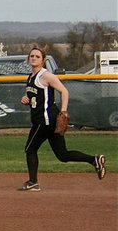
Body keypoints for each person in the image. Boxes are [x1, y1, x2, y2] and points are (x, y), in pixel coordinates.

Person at [18, 46, 106, 191]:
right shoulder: (31, 77)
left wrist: (63, 112)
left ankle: (33, 182)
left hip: (45, 120)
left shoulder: (45, 75)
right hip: (45, 119)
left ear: (43, 60)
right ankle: (94, 160)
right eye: (32, 56)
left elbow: (64, 91)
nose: (34, 58)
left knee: (30, 149)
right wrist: (27, 99)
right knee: (62, 155)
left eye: (37, 56)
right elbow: (37, 97)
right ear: (28, 59)